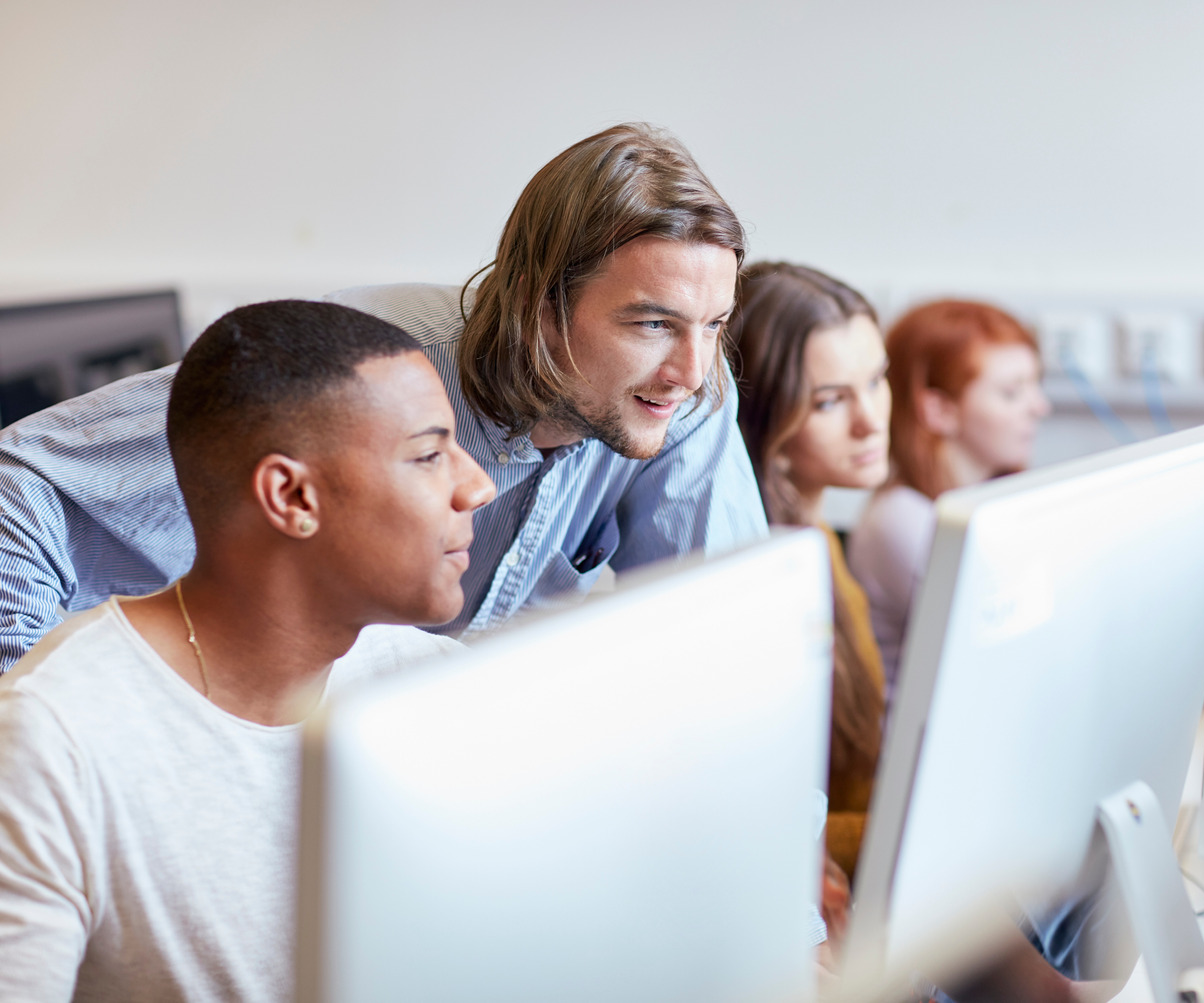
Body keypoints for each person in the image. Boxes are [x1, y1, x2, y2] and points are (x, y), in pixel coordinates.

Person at [0, 122, 765, 671]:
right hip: (166, 716)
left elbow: (733, 658)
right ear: (540, 305)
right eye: (654, 323)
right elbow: (16, 486)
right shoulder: (365, 363)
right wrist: (44, 721)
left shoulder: (683, 399)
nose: (692, 369)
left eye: (715, 324)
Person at [0, 300, 496, 1001]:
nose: (479, 485)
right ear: (292, 496)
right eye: (428, 455)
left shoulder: (433, 691)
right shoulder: (51, 737)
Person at [726, 261, 889, 882]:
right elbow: (773, 837)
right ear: (762, 417)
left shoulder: (818, 539)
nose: (871, 420)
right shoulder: (761, 578)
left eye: (877, 380)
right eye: (829, 401)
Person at [846, 299, 1050, 691]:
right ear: (938, 409)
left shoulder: (988, 503)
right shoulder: (901, 520)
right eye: (1011, 393)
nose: (1039, 406)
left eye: (1035, 385)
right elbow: (1013, 656)